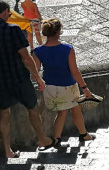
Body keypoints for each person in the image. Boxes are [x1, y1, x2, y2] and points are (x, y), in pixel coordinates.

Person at [0, 0, 53, 158]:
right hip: (19, 77)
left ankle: (8, 150)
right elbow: (26, 58)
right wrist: (38, 78)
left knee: (4, 114)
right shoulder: (13, 29)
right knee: (32, 109)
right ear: (6, 11)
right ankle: (43, 139)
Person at [34, 18, 99, 147]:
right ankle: (83, 134)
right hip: (67, 85)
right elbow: (74, 71)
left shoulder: (38, 51)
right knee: (75, 109)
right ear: (58, 32)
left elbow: (35, 72)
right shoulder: (67, 49)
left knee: (62, 112)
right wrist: (85, 88)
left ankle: (57, 139)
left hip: (50, 86)